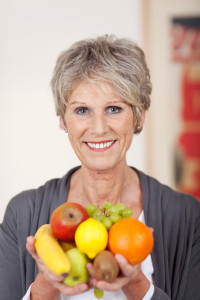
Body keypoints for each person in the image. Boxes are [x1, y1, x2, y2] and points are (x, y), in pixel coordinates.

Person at [0, 35, 200, 300]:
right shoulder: (22, 214)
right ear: (63, 119)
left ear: (139, 116)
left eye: (114, 108)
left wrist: (137, 285)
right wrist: (45, 285)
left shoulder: (186, 215)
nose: (98, 128)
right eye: (82, 110)